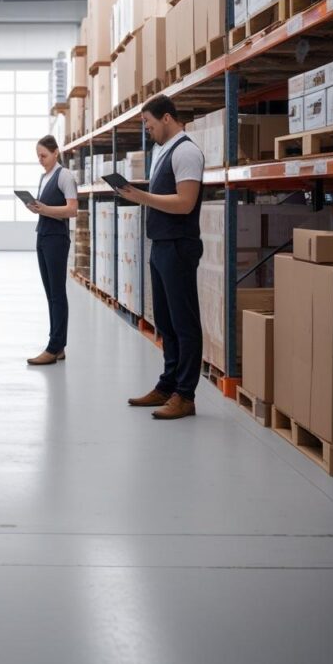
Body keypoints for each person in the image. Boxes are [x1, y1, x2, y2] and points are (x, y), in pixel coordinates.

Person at [118, 95, 205, 421]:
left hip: (179, 246)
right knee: (166, 322)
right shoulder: (161, 151)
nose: (147, 129)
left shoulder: (186, 152)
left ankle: (185, 395)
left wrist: (140, 196)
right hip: (161, 245)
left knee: (184, 322)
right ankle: (167, 385)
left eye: (148, 123)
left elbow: (184, 203)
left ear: (167, 118)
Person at [26, 135, 78, 366]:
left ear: (56, 152)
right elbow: (46, 209)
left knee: (57, 294)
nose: (40, 159)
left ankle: (54, 346)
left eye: (44, 155)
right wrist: (36, 208)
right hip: (43, 236)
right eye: (38, 156)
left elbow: (72, 210)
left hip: (56, 239)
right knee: (50, 294)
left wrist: (45, 208)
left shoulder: (64, 175)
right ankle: (59, 347)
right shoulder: (43, 177)